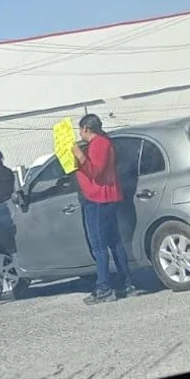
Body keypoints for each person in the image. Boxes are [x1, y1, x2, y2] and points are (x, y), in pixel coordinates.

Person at [72, 114, 138, 304]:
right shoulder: (104, 142)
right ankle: (126, 282)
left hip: (98, 198)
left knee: (99, 245)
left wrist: (80, 156)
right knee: (113, 242)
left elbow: (95, 171)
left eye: (81, 130)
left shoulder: (99, 144)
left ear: (86, 128)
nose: (80, 134)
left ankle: (104, 287)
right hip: (105, 197)